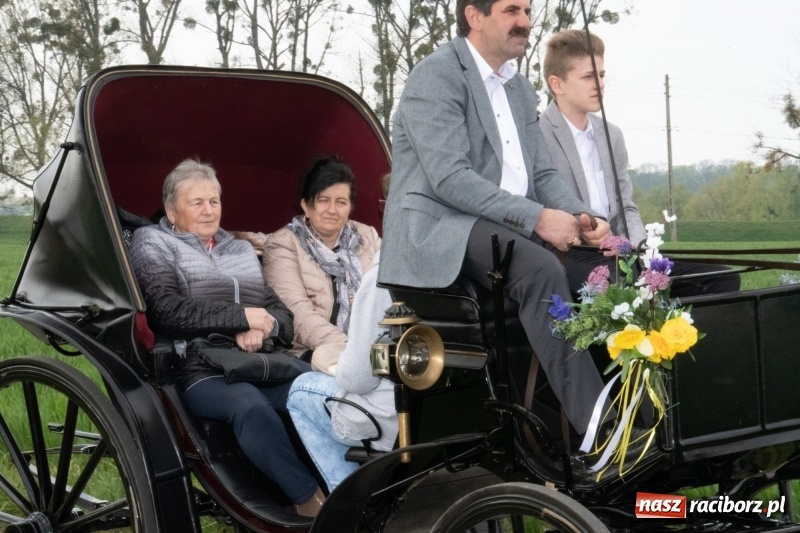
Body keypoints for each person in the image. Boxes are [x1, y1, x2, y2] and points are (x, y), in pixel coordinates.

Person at [379, 0, 614, 444]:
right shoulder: (436, 75)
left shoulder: (520, 89)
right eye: (511, 10)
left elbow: (543, 175)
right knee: (542, 270)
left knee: (606, 271)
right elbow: (449, 179)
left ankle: (640, 412)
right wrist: (538, 219)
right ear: (474, 16)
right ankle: (599, 434)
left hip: (501, 225)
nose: (525, 21)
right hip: (443, 227)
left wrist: (584, 217)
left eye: (526, 10)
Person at [130, 158, 325, 517]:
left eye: (214, 201)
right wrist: (240, 318)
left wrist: (260, 326)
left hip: (257, 359)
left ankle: (344, 485)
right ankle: (309, 502)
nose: (208, 211)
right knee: (250, 407)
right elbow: (166, 310)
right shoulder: (152, 241)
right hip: (198, 367)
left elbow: (280, 313)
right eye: (197, 202)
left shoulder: (238, 249)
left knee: (322, 392)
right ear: (172, 210)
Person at [540, 29, 740, 296]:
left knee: (719, 278)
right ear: (557, 84)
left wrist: (638, 246)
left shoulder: (612, 135)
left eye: (601, 75)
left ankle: (678, 338)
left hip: (621, 250)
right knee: (622, 288)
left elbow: (627, 207)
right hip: (570, 254)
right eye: (588, 76)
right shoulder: (536, 134)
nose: (599, 84)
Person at [286, 251, 395, 491]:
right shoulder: (462, 266)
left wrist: (340, 357)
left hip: (396, 421)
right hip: (453, 417)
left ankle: (348, 505)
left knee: (300, 391)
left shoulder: (384, 276)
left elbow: (358, 380)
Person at [262, 157, 381, 363]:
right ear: (306, 206)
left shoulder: (367, 236)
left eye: (341, 202)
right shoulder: (283, 244)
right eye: (323, 200)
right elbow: (297, 314)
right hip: (309, 355)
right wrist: (351, 350)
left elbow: (386, 296)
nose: (332, 210)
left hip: (369, 350)